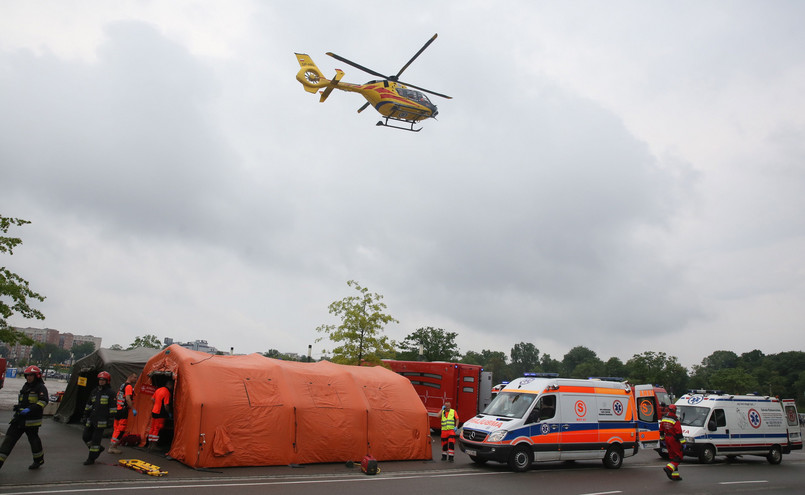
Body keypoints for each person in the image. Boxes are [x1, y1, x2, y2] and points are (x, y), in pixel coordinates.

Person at [0, 366, 48, 470]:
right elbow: (23, 401)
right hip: (19, 419)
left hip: (31, 421)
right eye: (27, 376)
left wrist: (29, 409)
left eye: (31, 375)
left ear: (37, 376)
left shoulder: (40, 387)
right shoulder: (26, 386)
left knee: (34, 440)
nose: (28, 378)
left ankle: (38, 460)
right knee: (8, 439)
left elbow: (43, 401)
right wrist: (19, 407)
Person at [81, 371, 117, 465]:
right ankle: (98, 450)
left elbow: (113, 409)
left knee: (95, 441)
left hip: (101, 421)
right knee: (85, 437)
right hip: (91, 419)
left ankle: (91, 458)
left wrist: (110, 420)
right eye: (100, 380)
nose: (101, 382)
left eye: (103, 380)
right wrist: (85, 416)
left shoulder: (111, 393)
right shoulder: (95, 391)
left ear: (107, 381)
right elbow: (88, 405)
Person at [108, 373, 138, 454]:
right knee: (121, 429)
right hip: (123, 410)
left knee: (116, 428)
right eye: (135, 377)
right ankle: (113, 447)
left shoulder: (122, 386)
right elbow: (128, 399)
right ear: (130, 377)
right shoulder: (128, 387)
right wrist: (133, 408)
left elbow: (118, 396)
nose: (136, 379)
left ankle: (112, 445)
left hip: (118, 409)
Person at [660, 404, 685, 481]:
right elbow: (679, 433)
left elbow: (661, 430)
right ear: (674, 410)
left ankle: (675, 475)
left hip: (667, 438)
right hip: (674, 439)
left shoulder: (664, 419)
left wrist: (663, 439)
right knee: (678, 457)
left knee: (672, 457)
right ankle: (668, 468)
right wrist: (683, 443)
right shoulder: (675, 420)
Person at [147, 378, 173, 451]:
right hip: (160, 413)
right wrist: (169, 412)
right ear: (170, 385)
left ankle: (150, 445)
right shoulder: (167, 392)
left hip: (154, 411)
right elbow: (166, 405)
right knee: (157, 428)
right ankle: (154, 445)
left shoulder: (158, 390)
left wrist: (157, 403)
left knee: (152, 428)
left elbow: (152, 399)